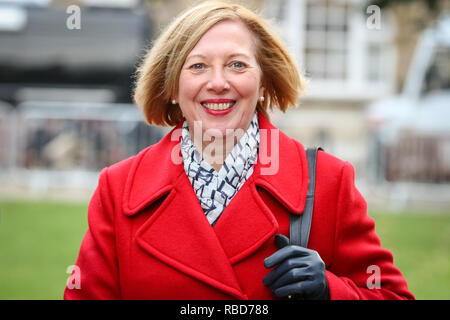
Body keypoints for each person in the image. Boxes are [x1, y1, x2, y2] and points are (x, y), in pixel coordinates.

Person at [64, 1, 414, 300]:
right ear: (172, 87)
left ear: (263, 83)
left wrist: (331, 291)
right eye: (198, 66)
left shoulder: (328, 180)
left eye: (237, 65)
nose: (218, 82)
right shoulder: (118, 187)